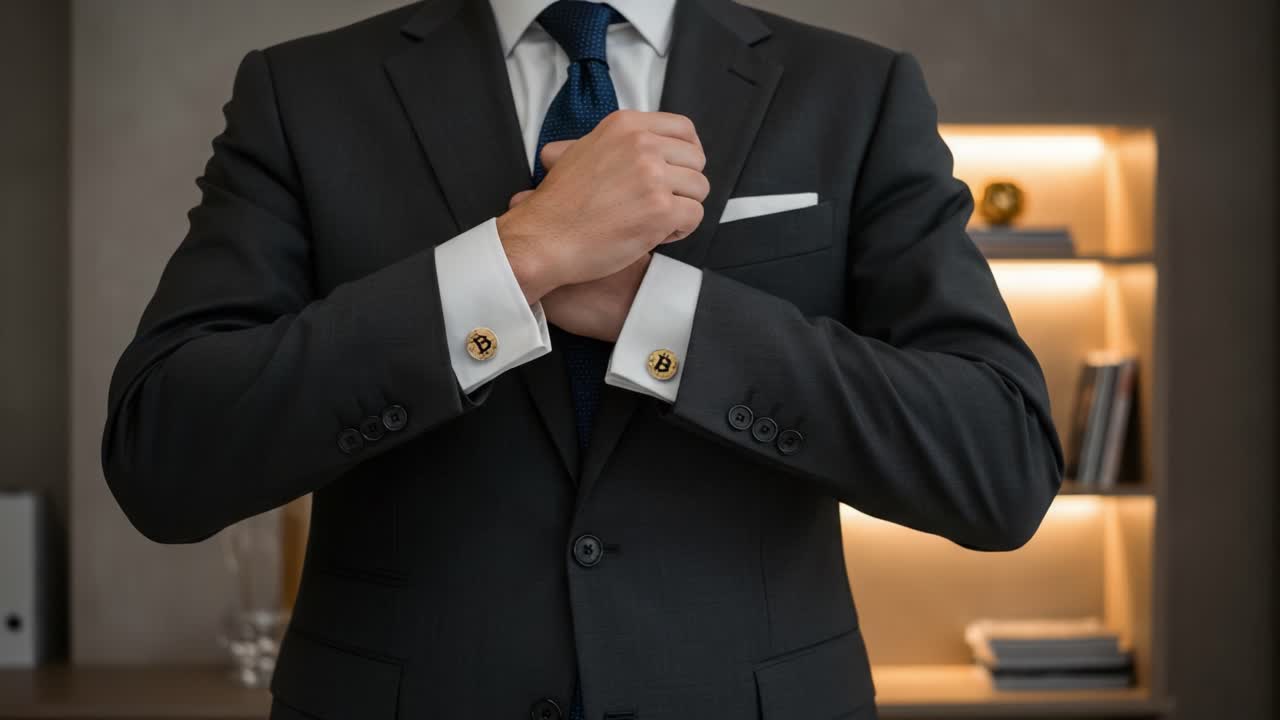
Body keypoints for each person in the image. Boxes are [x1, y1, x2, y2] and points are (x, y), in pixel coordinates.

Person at [101, 0, 1063, 718]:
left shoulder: (854, 92)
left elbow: (998, 464)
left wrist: (663, 317)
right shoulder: (303, 94)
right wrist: (511, 263)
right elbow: (165, 457)